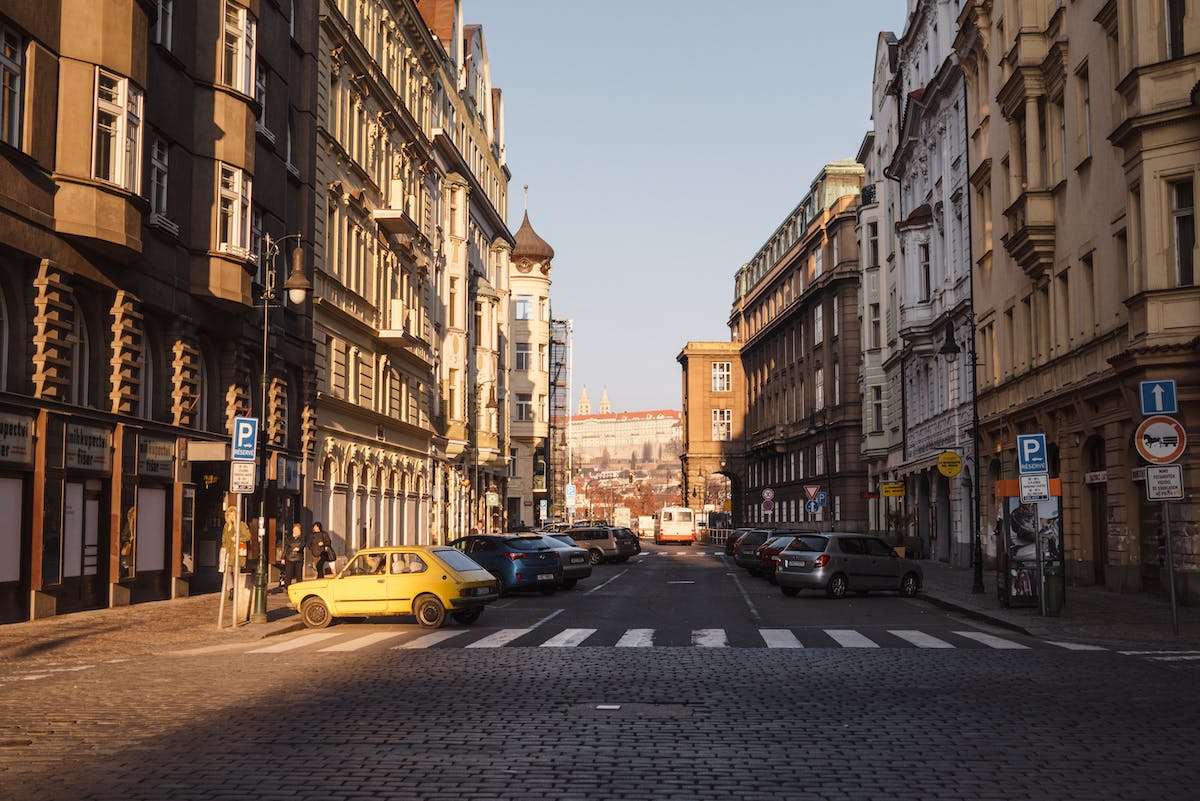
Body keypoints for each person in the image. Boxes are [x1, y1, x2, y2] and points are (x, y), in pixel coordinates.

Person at [221, 507, 251, 573]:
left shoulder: (241, 525)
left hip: (237, 553)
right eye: (230, 515)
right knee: (227, 574)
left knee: (235, 574)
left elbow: (248, 537)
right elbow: (224, 539)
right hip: (227, 554)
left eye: (233, 515)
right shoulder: (226, 526)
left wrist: (238, 539)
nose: (232, 517)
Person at [280, 522, 306, 587]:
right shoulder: (289, 538)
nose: (295, 531)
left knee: (298, 575)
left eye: (297, 530)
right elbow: (286, 548)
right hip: (289, 558)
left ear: (300, 530)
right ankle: (287, 587)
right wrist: (283, 558)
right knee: (288, 575)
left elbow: (302, 544)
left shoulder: (302, 538)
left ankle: (299, 587)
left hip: (298, 558)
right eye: (294, 530)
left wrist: (298, 548)